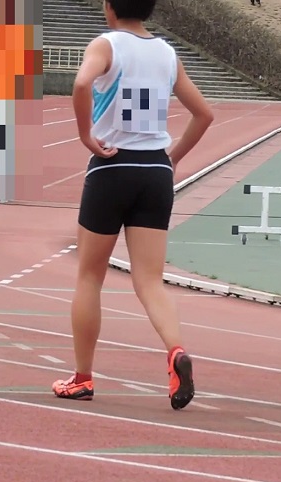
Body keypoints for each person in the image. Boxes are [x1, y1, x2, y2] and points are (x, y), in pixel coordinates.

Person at [51, 0, 214, 410]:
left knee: (89, 276)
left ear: (108, 7)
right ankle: (176, 351)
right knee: (150, 280)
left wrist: (87, 137)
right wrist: (170, 159)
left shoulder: (106, 45)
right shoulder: (166, 53)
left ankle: (83, 377)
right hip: (156, 171)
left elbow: (81, 84)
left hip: (112, 166)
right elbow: (204, 114)